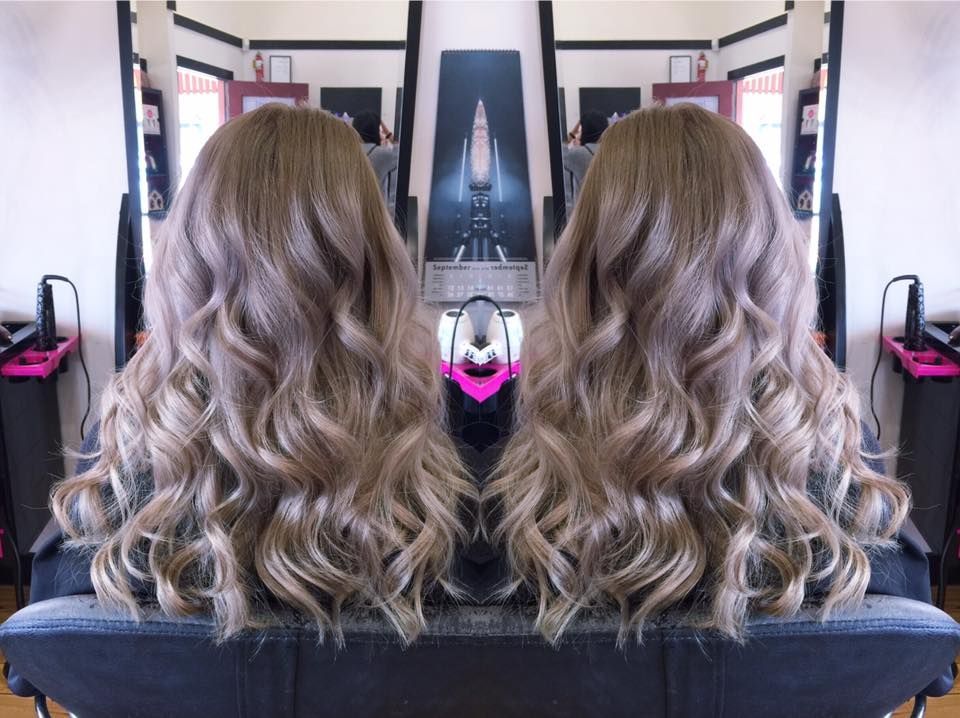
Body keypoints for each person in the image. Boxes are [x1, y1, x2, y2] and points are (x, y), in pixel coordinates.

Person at [8, 103, 474, 695]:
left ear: (188, 253)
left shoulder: (126, 454)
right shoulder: (436, 473)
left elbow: (38, 662)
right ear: (374, 259)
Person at [485, 103, 951, 694]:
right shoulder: (844, 483)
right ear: (772, 256)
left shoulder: (521, 495)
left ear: (586, 260)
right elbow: (922, 663)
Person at [352, 109, 400, 217]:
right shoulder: (382, 154)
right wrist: (387, 133)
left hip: (351, 214)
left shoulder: (347, 151)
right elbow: (400, 151)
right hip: (376, 215)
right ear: (374, 130)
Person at [562, 109, 608, 208]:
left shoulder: (578, 154)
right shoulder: (613, 152)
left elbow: (559, 152)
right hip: (609, 212)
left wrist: (573, 133)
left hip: (584, 212)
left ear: (585, 131)